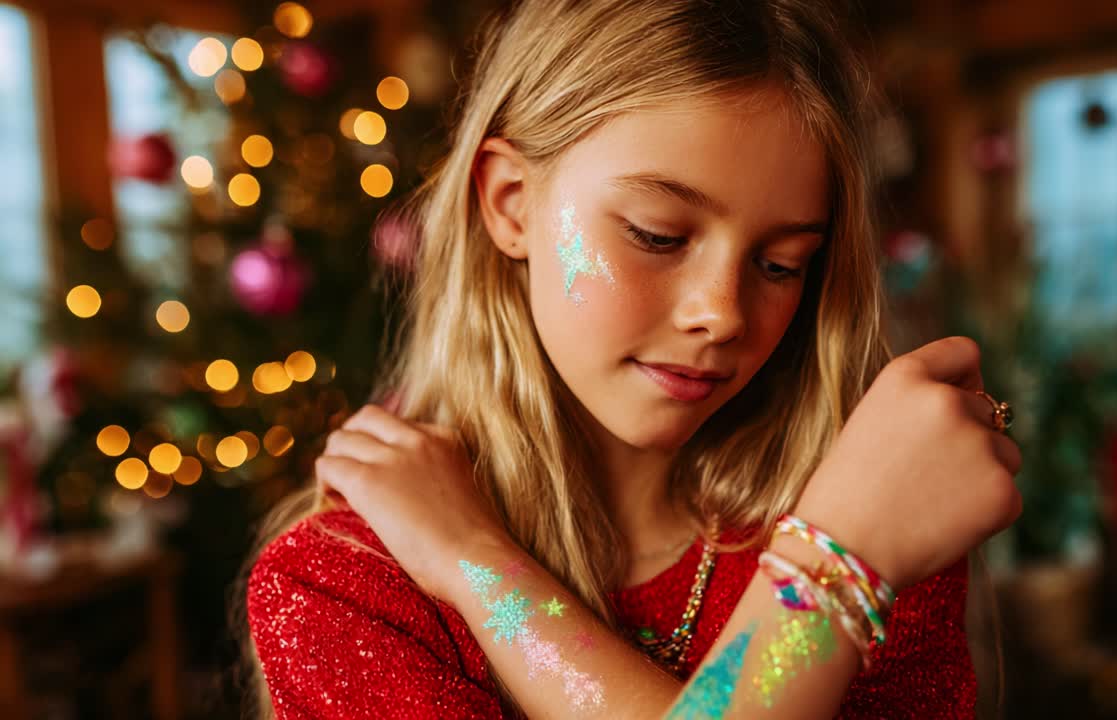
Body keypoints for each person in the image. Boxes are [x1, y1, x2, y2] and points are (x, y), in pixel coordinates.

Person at [242, 0, 1023, 717]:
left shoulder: (875, 512)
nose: (720, 313)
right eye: (657, 235)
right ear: (511, 202)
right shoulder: (346, 583)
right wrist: (829, 579)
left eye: (781, 263)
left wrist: (475, 564)